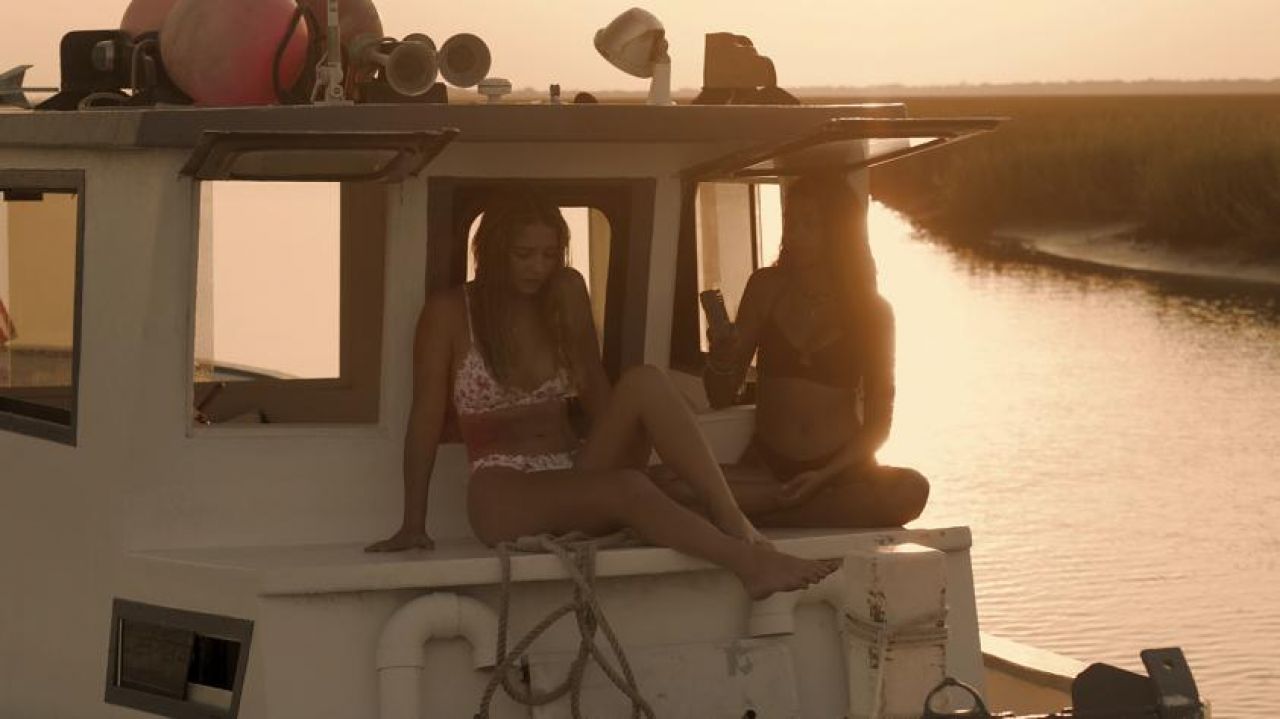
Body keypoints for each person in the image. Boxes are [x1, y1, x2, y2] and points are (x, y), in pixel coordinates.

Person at [367, 192, 836, 600]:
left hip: (574, 469)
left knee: (648, 382)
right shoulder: (450, 313)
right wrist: (413, 523)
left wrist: (630, 445)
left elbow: (597, 392)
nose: (538, 267)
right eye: (524, 254)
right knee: (631, 488)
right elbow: (425, 418)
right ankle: (747, 565)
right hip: (505, 491)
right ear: (493, 252)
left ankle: (734, 521)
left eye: (550, 254)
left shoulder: (563, 294)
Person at [700, 174, 930, 528]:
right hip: (768, 466)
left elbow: (879, 426)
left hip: (841, 470)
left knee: (912, 489)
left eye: (811, 224)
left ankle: (772, 509)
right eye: (791, 221)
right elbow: (719, 396)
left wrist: (821, 478)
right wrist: (720, 357)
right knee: (667, 482)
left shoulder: (872, 311)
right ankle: (794, 505)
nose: (796, 233)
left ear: (838, 233)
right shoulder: (765, 287)